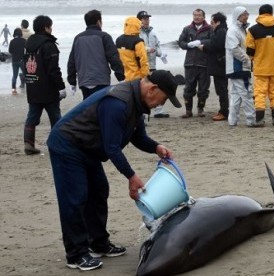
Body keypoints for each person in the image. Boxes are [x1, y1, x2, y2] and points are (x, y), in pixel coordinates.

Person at [46, 70, 182, 271]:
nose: (161, 105)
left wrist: (156, 147)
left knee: (99, 190)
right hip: (68, 144)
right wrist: (131, 176)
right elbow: (112, 147)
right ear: (153, 89)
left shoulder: (137, 103)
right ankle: (76, 254)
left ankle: (98, 243)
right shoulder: (118, 102)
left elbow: (138, 137)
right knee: (75, 198)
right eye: (163, 99)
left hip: (88, 147)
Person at [23, 15, 67, 155]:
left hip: (32, 85)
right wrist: (61, 87)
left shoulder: (28, 44)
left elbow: (25, 66)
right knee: (55, 117)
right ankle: (57, 145)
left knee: (32, 116)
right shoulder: (49, 45)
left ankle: (28, 144)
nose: (51, 28)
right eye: (50, 26)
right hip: (48, 89)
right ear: (46, 27)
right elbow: (53, 69)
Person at [246, 4, 274, 127]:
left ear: (260, 14)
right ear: (271, 13)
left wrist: (256, 58)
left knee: (259, 93)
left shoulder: (252, 30)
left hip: (260, 68)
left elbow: (249, 49)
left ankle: (260, 120)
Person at [68, 9, 125, 100]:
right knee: (101, 106)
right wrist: (121, 77)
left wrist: (72, 82)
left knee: (88, 107)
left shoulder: (78, 38)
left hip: (84, 81)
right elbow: (114, 58)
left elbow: (72, 61)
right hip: (101, 80)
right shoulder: (104, 36)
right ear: (98, 21)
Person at [178, 8, 211, 118]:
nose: (196, 17)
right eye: (195, 15)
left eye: (199, 15)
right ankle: (188, 111)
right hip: (190, 63)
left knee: (203, 88)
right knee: (188, 88)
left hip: (204, 63)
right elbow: (180, 42)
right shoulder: (187, 29)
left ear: (203, 17)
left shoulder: (209, 29)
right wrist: (188, 45)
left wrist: (201, 42)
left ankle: (200, 109)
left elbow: (213, 41)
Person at [225, 6, 255, 127]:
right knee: (247, 93)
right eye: (244, 14)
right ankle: (251, 120)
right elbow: (234, 49)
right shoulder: (233, 30)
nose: (247, 16)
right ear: (238, 16)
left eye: (247, 13)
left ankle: (232, 120)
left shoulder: (242, 29)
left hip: (237, 67)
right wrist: (247, 60)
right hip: (238, 67)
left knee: (236, 95)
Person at [137, 10, 170, 118]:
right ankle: (140, 112)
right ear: (138, 20)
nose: (146, 21)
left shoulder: (153, 32)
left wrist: (161, 54)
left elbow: (157, 46)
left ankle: (158, 110)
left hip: (152, 65)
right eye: (144, 19)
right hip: (141, 66)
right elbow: (135, 48)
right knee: (142, 89)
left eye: (147, 19)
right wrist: (147, 49)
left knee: (155, 87)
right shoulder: (136, 33)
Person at [199, 12, 229, 121]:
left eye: (212, 22)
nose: (211, 25)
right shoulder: (221, 30)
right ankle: (223, 110)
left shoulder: (221, 31)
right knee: (221, 89)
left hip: (220, 65)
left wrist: (204, 47)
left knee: (221, 89)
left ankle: (224, 112)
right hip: (219, 64)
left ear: (218, 22)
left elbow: (217, 46)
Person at [116, 16, 149, 82]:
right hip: (136, 77)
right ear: (137, 25)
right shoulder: (138, 42)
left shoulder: (118, 40)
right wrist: (145, 76)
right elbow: (143, 60)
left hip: (124, 77)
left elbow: (117, 59)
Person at [8, 28, 26, 95]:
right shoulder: (24, 40)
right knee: (25, 74)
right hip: (22, 60)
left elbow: (10, 51)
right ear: (21, 33)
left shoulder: (12, 41)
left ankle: (13, 90)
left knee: (14, 76)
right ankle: (29, 88)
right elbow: (27, 49)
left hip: (14, 61)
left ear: (14, 34)